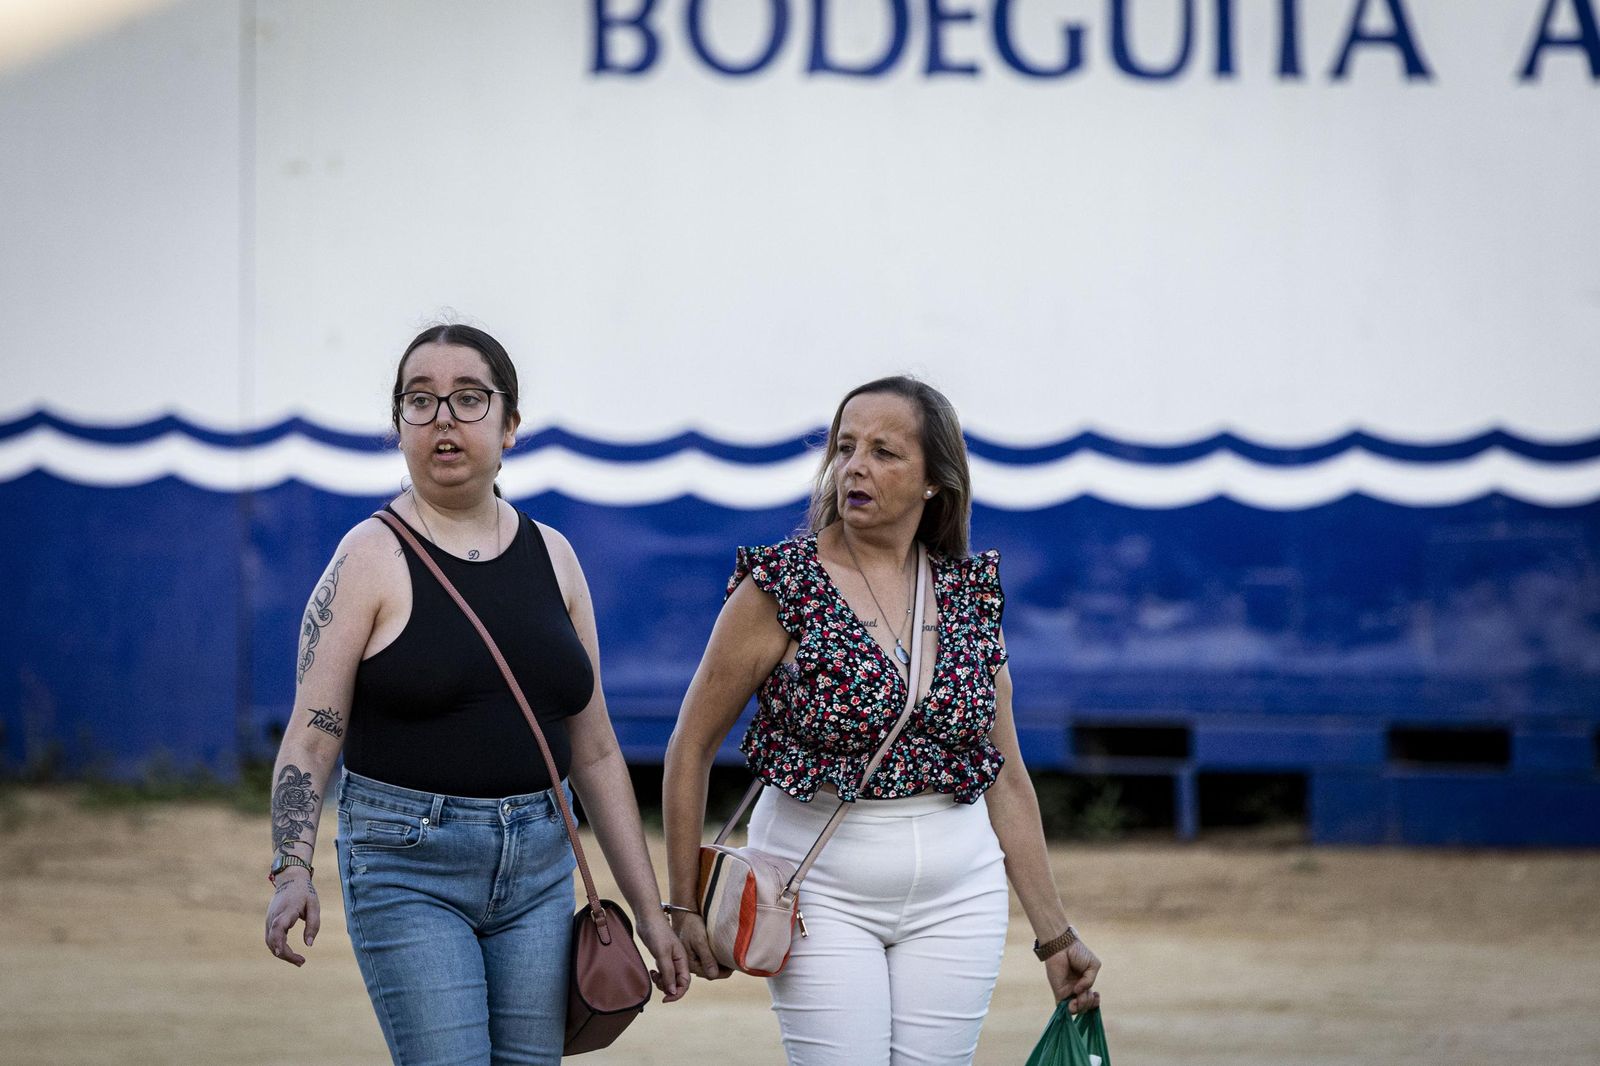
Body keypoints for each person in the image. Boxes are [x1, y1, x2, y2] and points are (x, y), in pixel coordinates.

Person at [263, 323, 688, 1066]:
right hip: (407, 867)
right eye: (419, 401)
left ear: (509, 425)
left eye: (467, 398)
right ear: (398, 426)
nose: (443, 419)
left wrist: (650, 914)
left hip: (541, 869)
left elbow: (594, 751)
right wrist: (290, 867)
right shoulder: (366, 558)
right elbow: (310, 734)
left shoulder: (555, 557)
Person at [662, 376, 1102, 1066]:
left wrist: (1056, 937)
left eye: (883, 452)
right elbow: (689, 747)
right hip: (816, 892)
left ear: (934, 482)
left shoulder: (966, 593)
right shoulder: (779, 586)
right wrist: (684, 905)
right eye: (845, 448)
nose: (855, 467)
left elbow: (1006, 777)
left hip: (961, 894)